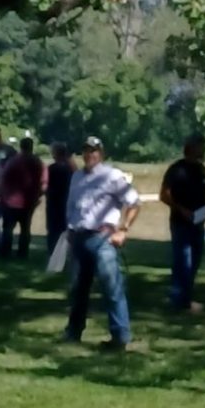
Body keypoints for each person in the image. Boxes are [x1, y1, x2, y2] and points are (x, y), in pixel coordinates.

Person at [62, 136, 139, 350]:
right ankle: (73, 332)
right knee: (78, 289)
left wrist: (123, 229)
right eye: (87, 150)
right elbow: (72, 206)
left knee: (112, 288)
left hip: (102, 238)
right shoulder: (77, 176)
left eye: (94, 151)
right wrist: (69, 229)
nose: (90, 155)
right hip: (78, 237)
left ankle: (120, 336)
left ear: (101, 153)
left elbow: (134, 202)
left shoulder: (112, 176)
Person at [159, 135, 205, 312]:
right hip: (181, 222)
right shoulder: (176, 169)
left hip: (199, 222)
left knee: (194, 261)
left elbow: (204, 193)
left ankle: (186, 298)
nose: (204, 149)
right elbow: (164, 195)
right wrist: (182, 210)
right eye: (201, 145)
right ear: (191, 147)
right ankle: (178, 300)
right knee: (183, 261)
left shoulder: (202, 170)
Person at [0, 137, 44, 258]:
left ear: (21, 146)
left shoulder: (14, 161)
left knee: (8, 228)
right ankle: (23, 252)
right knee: (25, 229)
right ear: (31, 147)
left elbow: (4, 178)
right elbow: (40, 181)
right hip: (29, 200)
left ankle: (5, 252)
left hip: (11, 200)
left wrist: (0, 195)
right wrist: (38, 195)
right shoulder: (37, 161)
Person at [44, 141, 75, 255]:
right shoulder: (70, 169)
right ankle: (64, 251)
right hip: (66, 201)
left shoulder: (52, 168)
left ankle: (52, 251)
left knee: (52, 229)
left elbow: (46, 186)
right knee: (63, 228)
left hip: (53, 202)